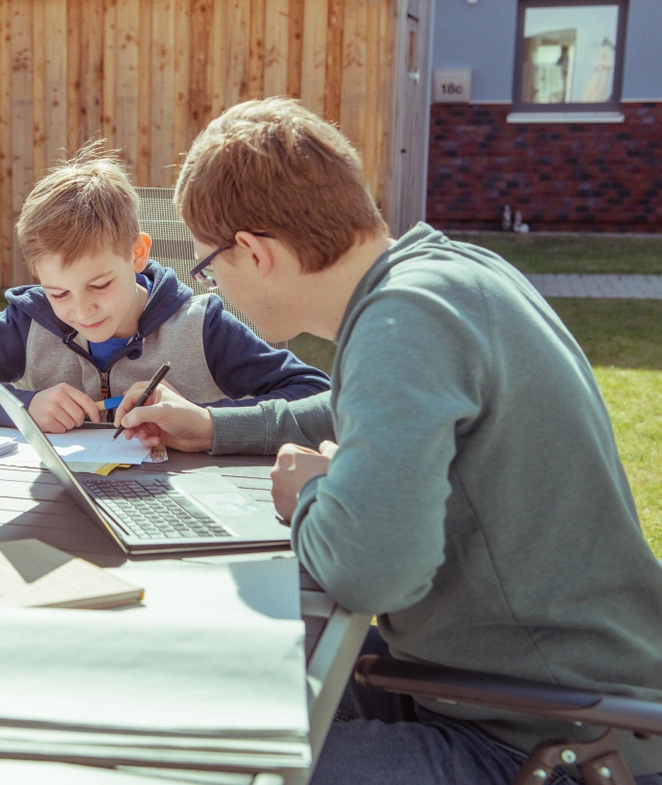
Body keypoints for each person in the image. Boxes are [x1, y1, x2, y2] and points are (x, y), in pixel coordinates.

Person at [116, 97, 662, 783]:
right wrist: (217, 425)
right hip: (499, 688)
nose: (213, 291)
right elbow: (359, 413)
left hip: (544, 735)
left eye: (208, 269)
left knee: (214, 766)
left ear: (254, 252)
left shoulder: (403, 322)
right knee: (223, 685)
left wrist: (312, 491)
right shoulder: (441, 277)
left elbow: (374, 568)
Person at [0, 141, 330, 434]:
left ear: (137, 253)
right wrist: (21, 406)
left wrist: (204, 420)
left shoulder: (201, 328)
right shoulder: (27, 324)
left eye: (100, 284)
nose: (81, 310)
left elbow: (317, 395)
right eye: (59, 293)